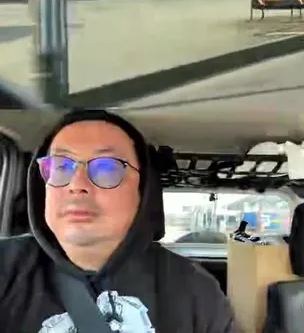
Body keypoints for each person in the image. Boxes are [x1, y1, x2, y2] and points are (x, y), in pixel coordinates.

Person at [0, 108, 241, 332]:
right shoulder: (6, 269)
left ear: (142, 192)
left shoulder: (193, 289)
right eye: (61, 167)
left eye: (107, 168)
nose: (77, 185)